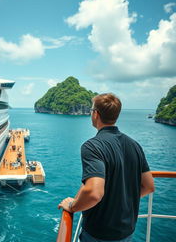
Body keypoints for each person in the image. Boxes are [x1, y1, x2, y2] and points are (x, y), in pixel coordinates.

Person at [58, 93, 155, 242]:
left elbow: (94, 193)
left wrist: (72, 206)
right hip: (127, 231)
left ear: (96, 114)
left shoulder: (92, 146)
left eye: (91, 111)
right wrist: (120, 201)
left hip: (99, 233)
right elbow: (149, 186)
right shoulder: (134, 145)